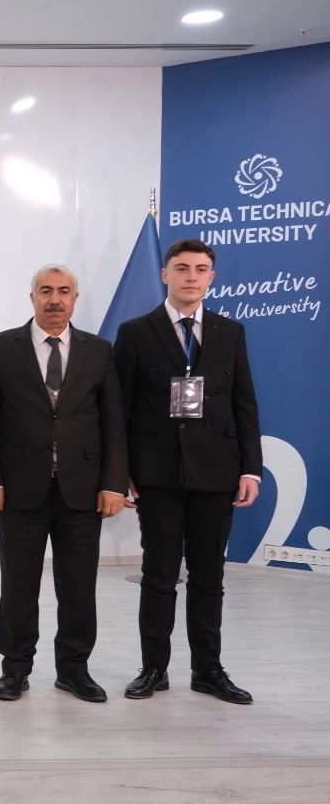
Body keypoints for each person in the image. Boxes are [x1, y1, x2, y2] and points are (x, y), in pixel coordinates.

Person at [113, 238, 261, 704]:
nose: (191, 277)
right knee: (159, 575)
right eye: (181, 268)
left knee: (208, 577)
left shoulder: (230, 332)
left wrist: (251, 469)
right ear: (165, 275)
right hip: (157, 473)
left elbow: (243, 403)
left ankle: (208, 670)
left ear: (211, 278)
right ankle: (153, 669)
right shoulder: (136, 332)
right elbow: (119, 409)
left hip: (216, 471)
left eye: (200, 269)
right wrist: (121, 471)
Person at [0, 264, 127, 703]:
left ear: (75, 299)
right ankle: (15, 669)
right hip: (19, 489)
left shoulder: (98, 350)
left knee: (78, 587)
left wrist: (114, 483)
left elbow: (114, 422)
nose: (54, 299)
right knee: (17, 586)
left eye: (63, 291)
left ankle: (74, 670)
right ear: (32, 298)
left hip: (83, 490)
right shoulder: (0, 347)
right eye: (46, 291)